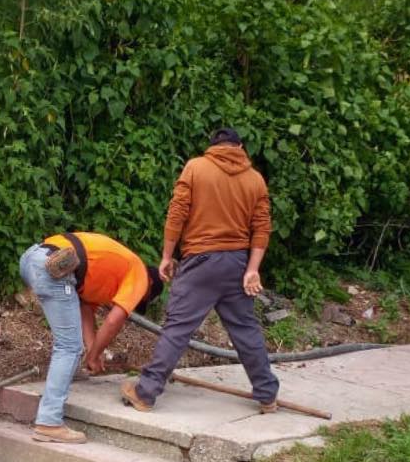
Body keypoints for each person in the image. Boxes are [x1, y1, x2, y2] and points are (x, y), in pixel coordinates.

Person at [121, 128, 280, 412]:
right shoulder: (255, 179)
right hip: (237, 264)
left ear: (213, 147)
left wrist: (167, 256)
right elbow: (262, 227)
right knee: (246, 329)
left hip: (201, 263)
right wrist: (252, 269)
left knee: (178, 329)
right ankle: (267, 395)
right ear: (240, 146)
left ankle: (144, 393)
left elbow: (177, 213)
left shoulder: (196, 167)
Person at [20, 232, 163, 443]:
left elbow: (85, 308)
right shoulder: (140, 274)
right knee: (69, 347)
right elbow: (114, 321)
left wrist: (93, 350)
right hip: (54, 266)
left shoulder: (107, 276)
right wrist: (94, 354)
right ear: (149, 287)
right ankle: (49, 422)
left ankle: (71, 372)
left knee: (69, 343)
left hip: (34, 258)